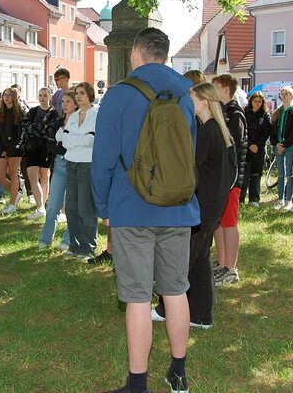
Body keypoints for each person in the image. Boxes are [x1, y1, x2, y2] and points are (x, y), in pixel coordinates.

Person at [92, 28, 199, 393]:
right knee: (175, 291)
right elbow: (189, 155)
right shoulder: (186, 94)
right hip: (177, 207)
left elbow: (103, 159)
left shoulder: (120, 95)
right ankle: (178, 373)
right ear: (166, 55)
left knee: (137, 297)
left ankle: (137, 384)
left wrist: (103, 205)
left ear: (136, 53)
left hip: (131, 207)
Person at [153, 82, 236, 330]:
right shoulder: (215, 129)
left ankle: (164, 309)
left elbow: (190, 169)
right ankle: (201, 316)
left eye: (190, 98)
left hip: (203, 207)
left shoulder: (209, 131)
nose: (187, 103)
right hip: (211, 206)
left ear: (204, 102)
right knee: (199, 260)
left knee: (182, 261)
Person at [212, 73, 247, 287]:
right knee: (218, 222)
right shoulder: (223, 111)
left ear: (225, 88)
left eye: (215, 86)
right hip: (221, 177)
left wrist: (230, 177)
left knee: (229, 223)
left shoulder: (235, 114)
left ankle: (231, 268)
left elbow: (235, 148)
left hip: (232, 178)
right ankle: (222, 262)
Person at [59, 82, 99, 260]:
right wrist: (78, 138)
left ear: (89, 95)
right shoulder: (73, 116)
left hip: (87, 165)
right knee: (71, 207)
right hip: (71, 163)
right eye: (77, 93)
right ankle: (74, 246)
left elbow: (92, 140)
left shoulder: (96, 114)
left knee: (85, 208)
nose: (79, 96)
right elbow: (64, 140)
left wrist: (73, 138)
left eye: (82, 93)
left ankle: (87, 248)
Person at [38, 90, 74, 249]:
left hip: (75, 165)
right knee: (53, 205)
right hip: (59, 164)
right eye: (62, 102)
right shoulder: (58, 122)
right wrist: (62, 144)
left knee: (71, 205)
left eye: (68, 102)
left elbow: (74, 144)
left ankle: (67, 240)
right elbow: (50, 144)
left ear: (75, 104)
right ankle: (45, 239)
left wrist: (63, 143)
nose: (64, 105)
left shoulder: (81, 121)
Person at [22, 87, 57, 220]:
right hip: (31, 148)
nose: (42, 98)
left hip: (46, 149)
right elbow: (25, 127)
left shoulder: (54, 113)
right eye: (40, 95)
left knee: (44, 177)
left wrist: (36, 128)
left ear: (50, 97)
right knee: (32, 177)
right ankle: (40, 207)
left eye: (44, 95)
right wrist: (40, 128)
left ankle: (43, 206)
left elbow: (50, 131)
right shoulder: (32, 111)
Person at [271, 86, 293, 209]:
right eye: (282, 94)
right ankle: (280, 199)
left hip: (289, 147)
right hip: (278, 147)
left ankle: (288, 200)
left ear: (292, 96)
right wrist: (276, 144)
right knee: (280, 174)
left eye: (286, 94)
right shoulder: (278, 112)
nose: (283, 96)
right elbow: (272, 130)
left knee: (289, 173)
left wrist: (284, 144)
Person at [0, 87, 24, 214]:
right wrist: (1, 150)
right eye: (4, 95)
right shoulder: (0, 112)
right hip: (3, 149)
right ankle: (16, 193)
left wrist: (11, 150)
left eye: (9, 95)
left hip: (16, 149)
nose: (6, 97)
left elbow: (21, 135)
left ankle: (12, 204)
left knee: (12, 172)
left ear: (15, 97)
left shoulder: (20, 113)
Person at [241, 91, 271, 206]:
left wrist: (257, 145)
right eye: (255, 101)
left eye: (259, 101)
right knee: (244, 175)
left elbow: (266, 132)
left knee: (256, 174)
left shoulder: (265, 115)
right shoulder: (245, 112)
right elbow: (243, 129)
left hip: (259, 149)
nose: (257, 103)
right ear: (251, 101)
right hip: (247, 147)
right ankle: (241, 199)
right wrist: (249, 144)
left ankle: (254, 199)